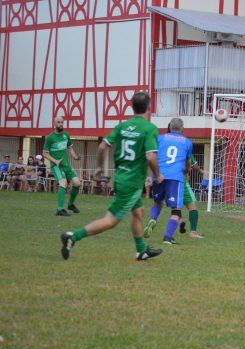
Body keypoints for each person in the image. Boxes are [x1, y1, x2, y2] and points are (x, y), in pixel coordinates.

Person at [60, 91, 164, 261]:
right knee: (111, 221)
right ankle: (72, 237)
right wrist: (158, 175)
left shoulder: (122, 126)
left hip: (122, 177)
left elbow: (102, 146)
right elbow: (150, 156)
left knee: (138, 212)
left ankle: (141, 250)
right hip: (132, 182)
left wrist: (99, 167)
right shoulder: (149, 128)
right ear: (148, 108)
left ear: (131, 107)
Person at [143, 117, 193, 244]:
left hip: (159, 175)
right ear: (182, 129)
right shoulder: (187, 142)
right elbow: (188, 163)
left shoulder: (159, 138)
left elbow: (151, 156)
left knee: (157, 203)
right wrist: (187, 171)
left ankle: (153, 219)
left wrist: (150, 175)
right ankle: (167, 237)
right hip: (175, 178)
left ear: (170, 127)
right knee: (176, 210)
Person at [43, 116, 82, 216]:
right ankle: (59, 209)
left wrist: (75, 156)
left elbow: (70, 147)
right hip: (56, 166)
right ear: (54, 124)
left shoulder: (66, 135)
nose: (61, 124)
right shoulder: (50, 137)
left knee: (77, 183)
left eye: (62, 122)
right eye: (58, 122)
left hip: (66, 165)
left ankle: (71, 204)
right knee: (63, 183)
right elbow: (45, 153)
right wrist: (55, 161)